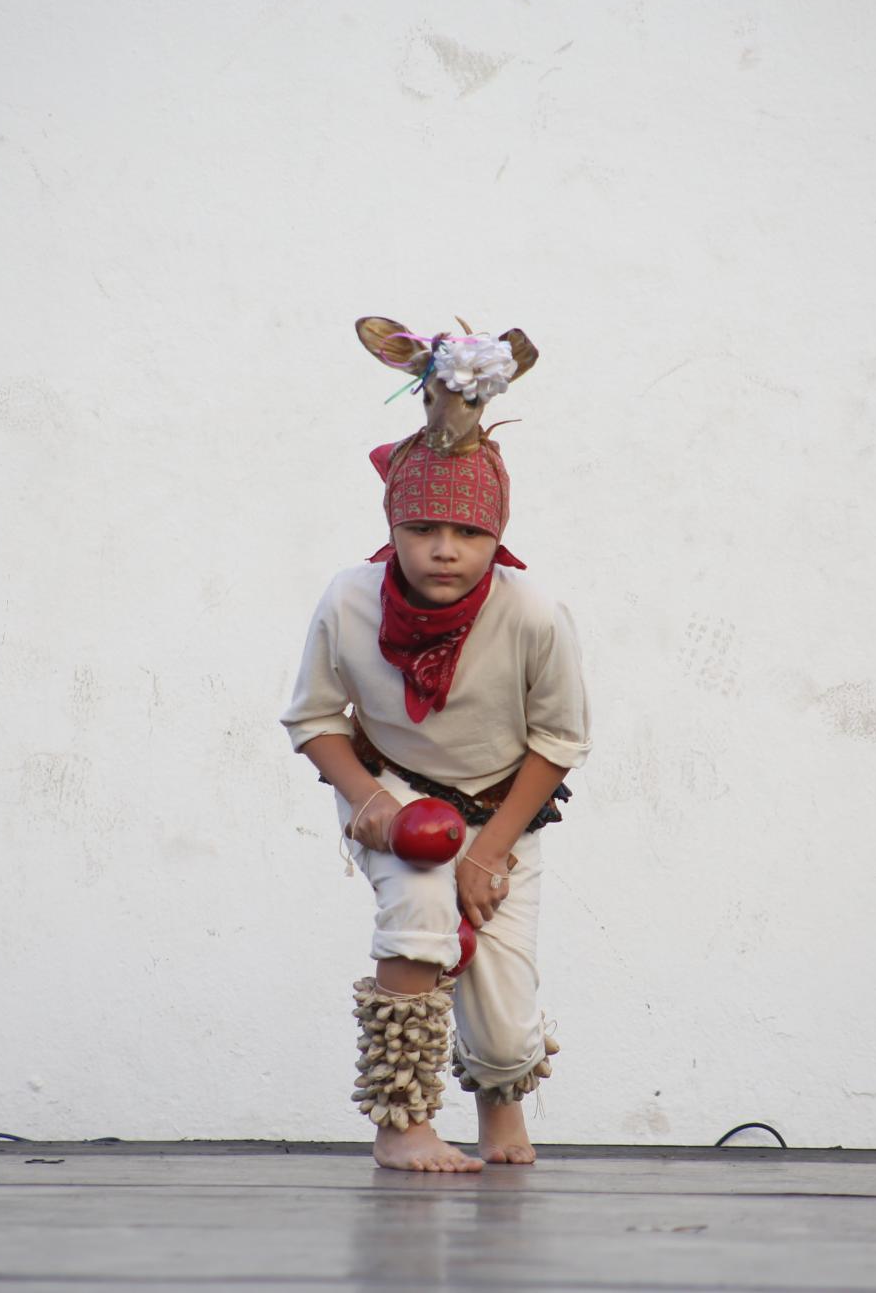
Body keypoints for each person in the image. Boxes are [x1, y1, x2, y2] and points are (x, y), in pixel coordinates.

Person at [282, 316, 591, 1172]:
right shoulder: (349, 601)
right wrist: (374, 804)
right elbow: (314, 718)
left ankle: (500, 1108)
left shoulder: (531, 612)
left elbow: (561, 738)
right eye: (423, 530)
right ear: (394, 528)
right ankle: (401, 1119)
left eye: (466, 533)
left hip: (502, 814)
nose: (445, 549)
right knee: (418, 919)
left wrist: (490, 850)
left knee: (503, 1015)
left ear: (497, 537)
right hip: (395, 795)